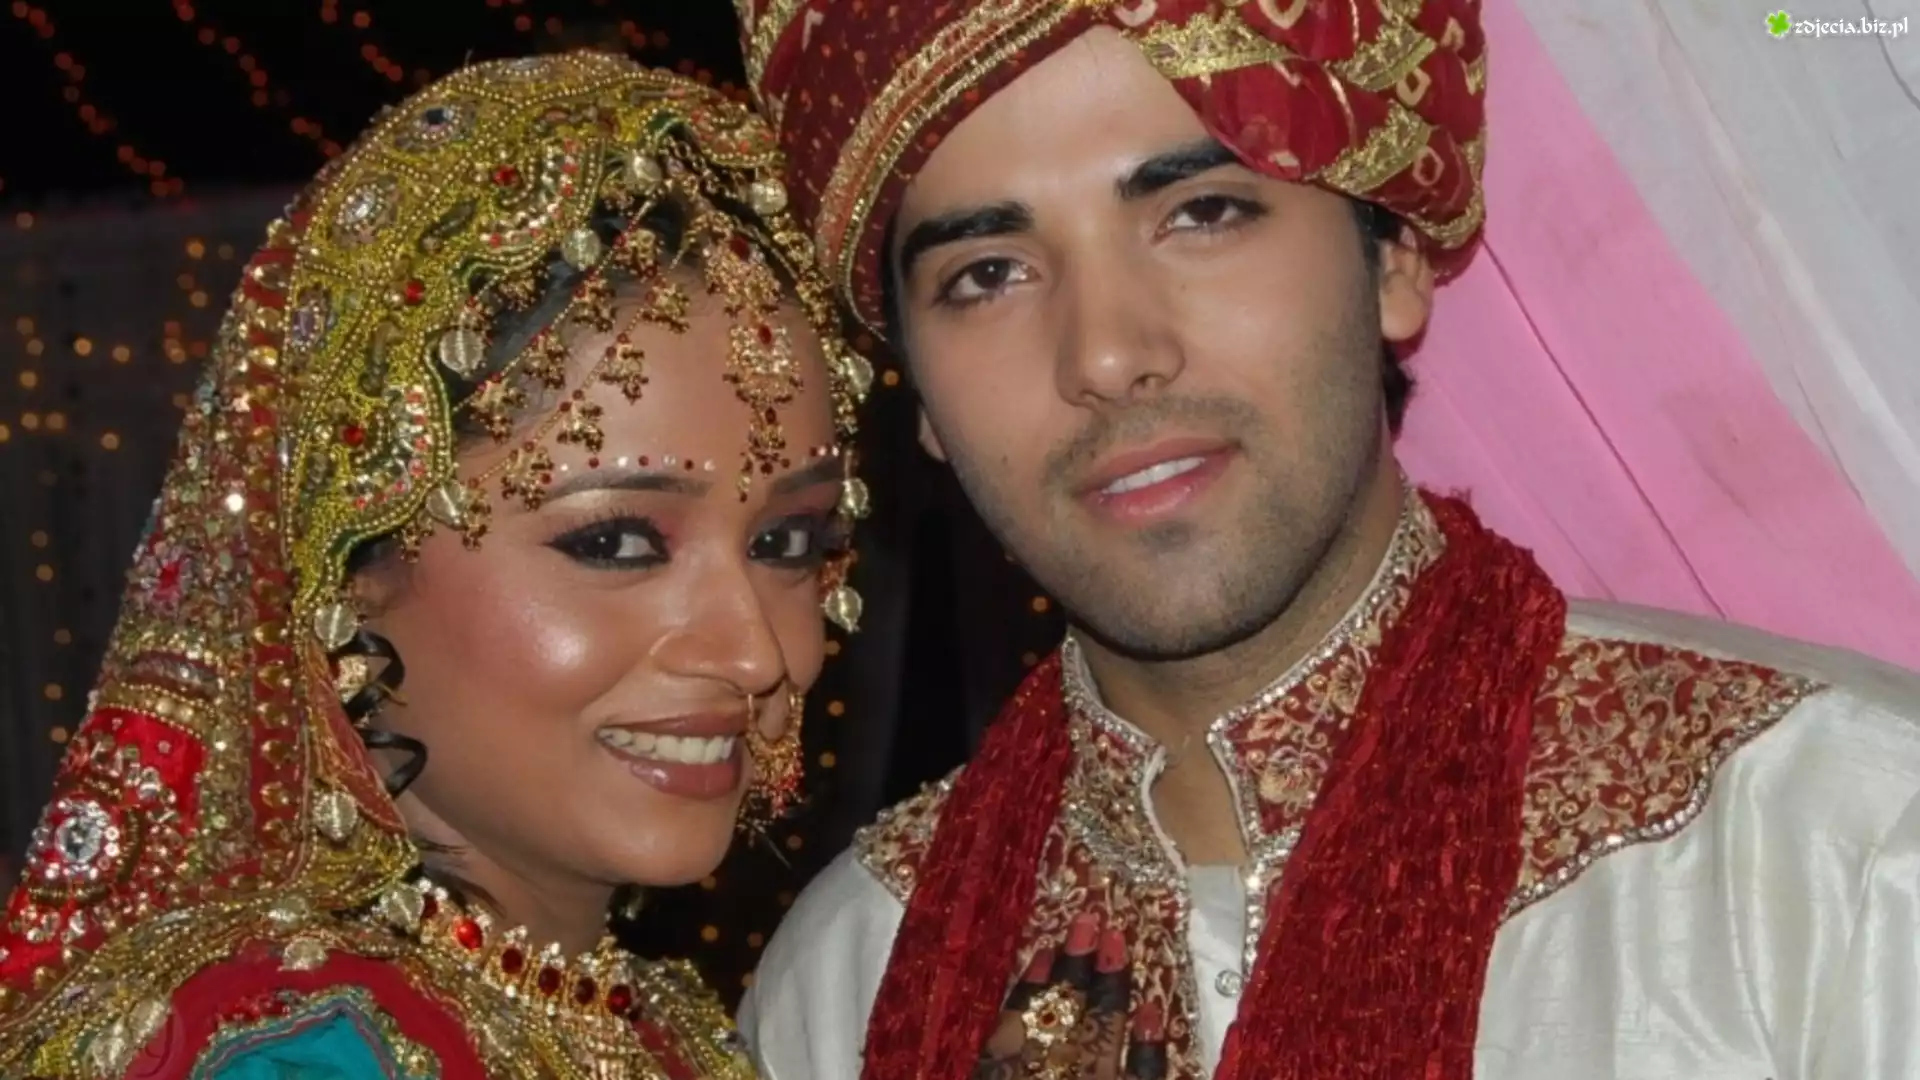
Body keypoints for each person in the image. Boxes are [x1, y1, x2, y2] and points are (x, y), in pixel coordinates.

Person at [728, 2, 1920, 1079]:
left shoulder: (1830, 854)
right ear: (924, 404)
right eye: (988, 273)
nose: (1107, 354)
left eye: (1201, 214)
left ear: (1393, 257)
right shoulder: (845, 988)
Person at [0, 52, 873, 1079]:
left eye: (786, 543)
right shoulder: (295, 1057)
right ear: (349, 563)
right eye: (615, 543)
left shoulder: (665, 1028)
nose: (754, 651)